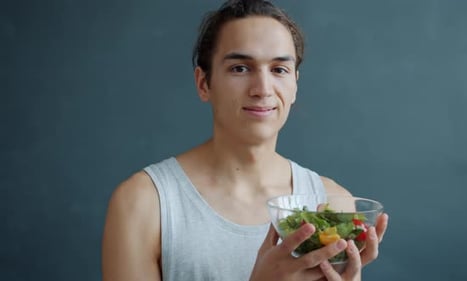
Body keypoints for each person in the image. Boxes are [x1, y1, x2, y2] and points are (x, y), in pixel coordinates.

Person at [101, 0, 389, 280]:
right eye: (240, 68)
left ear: (295, 86)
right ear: (204, 84)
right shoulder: (144, 203)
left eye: (279, 70)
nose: (262, 89)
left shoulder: (335, 204)